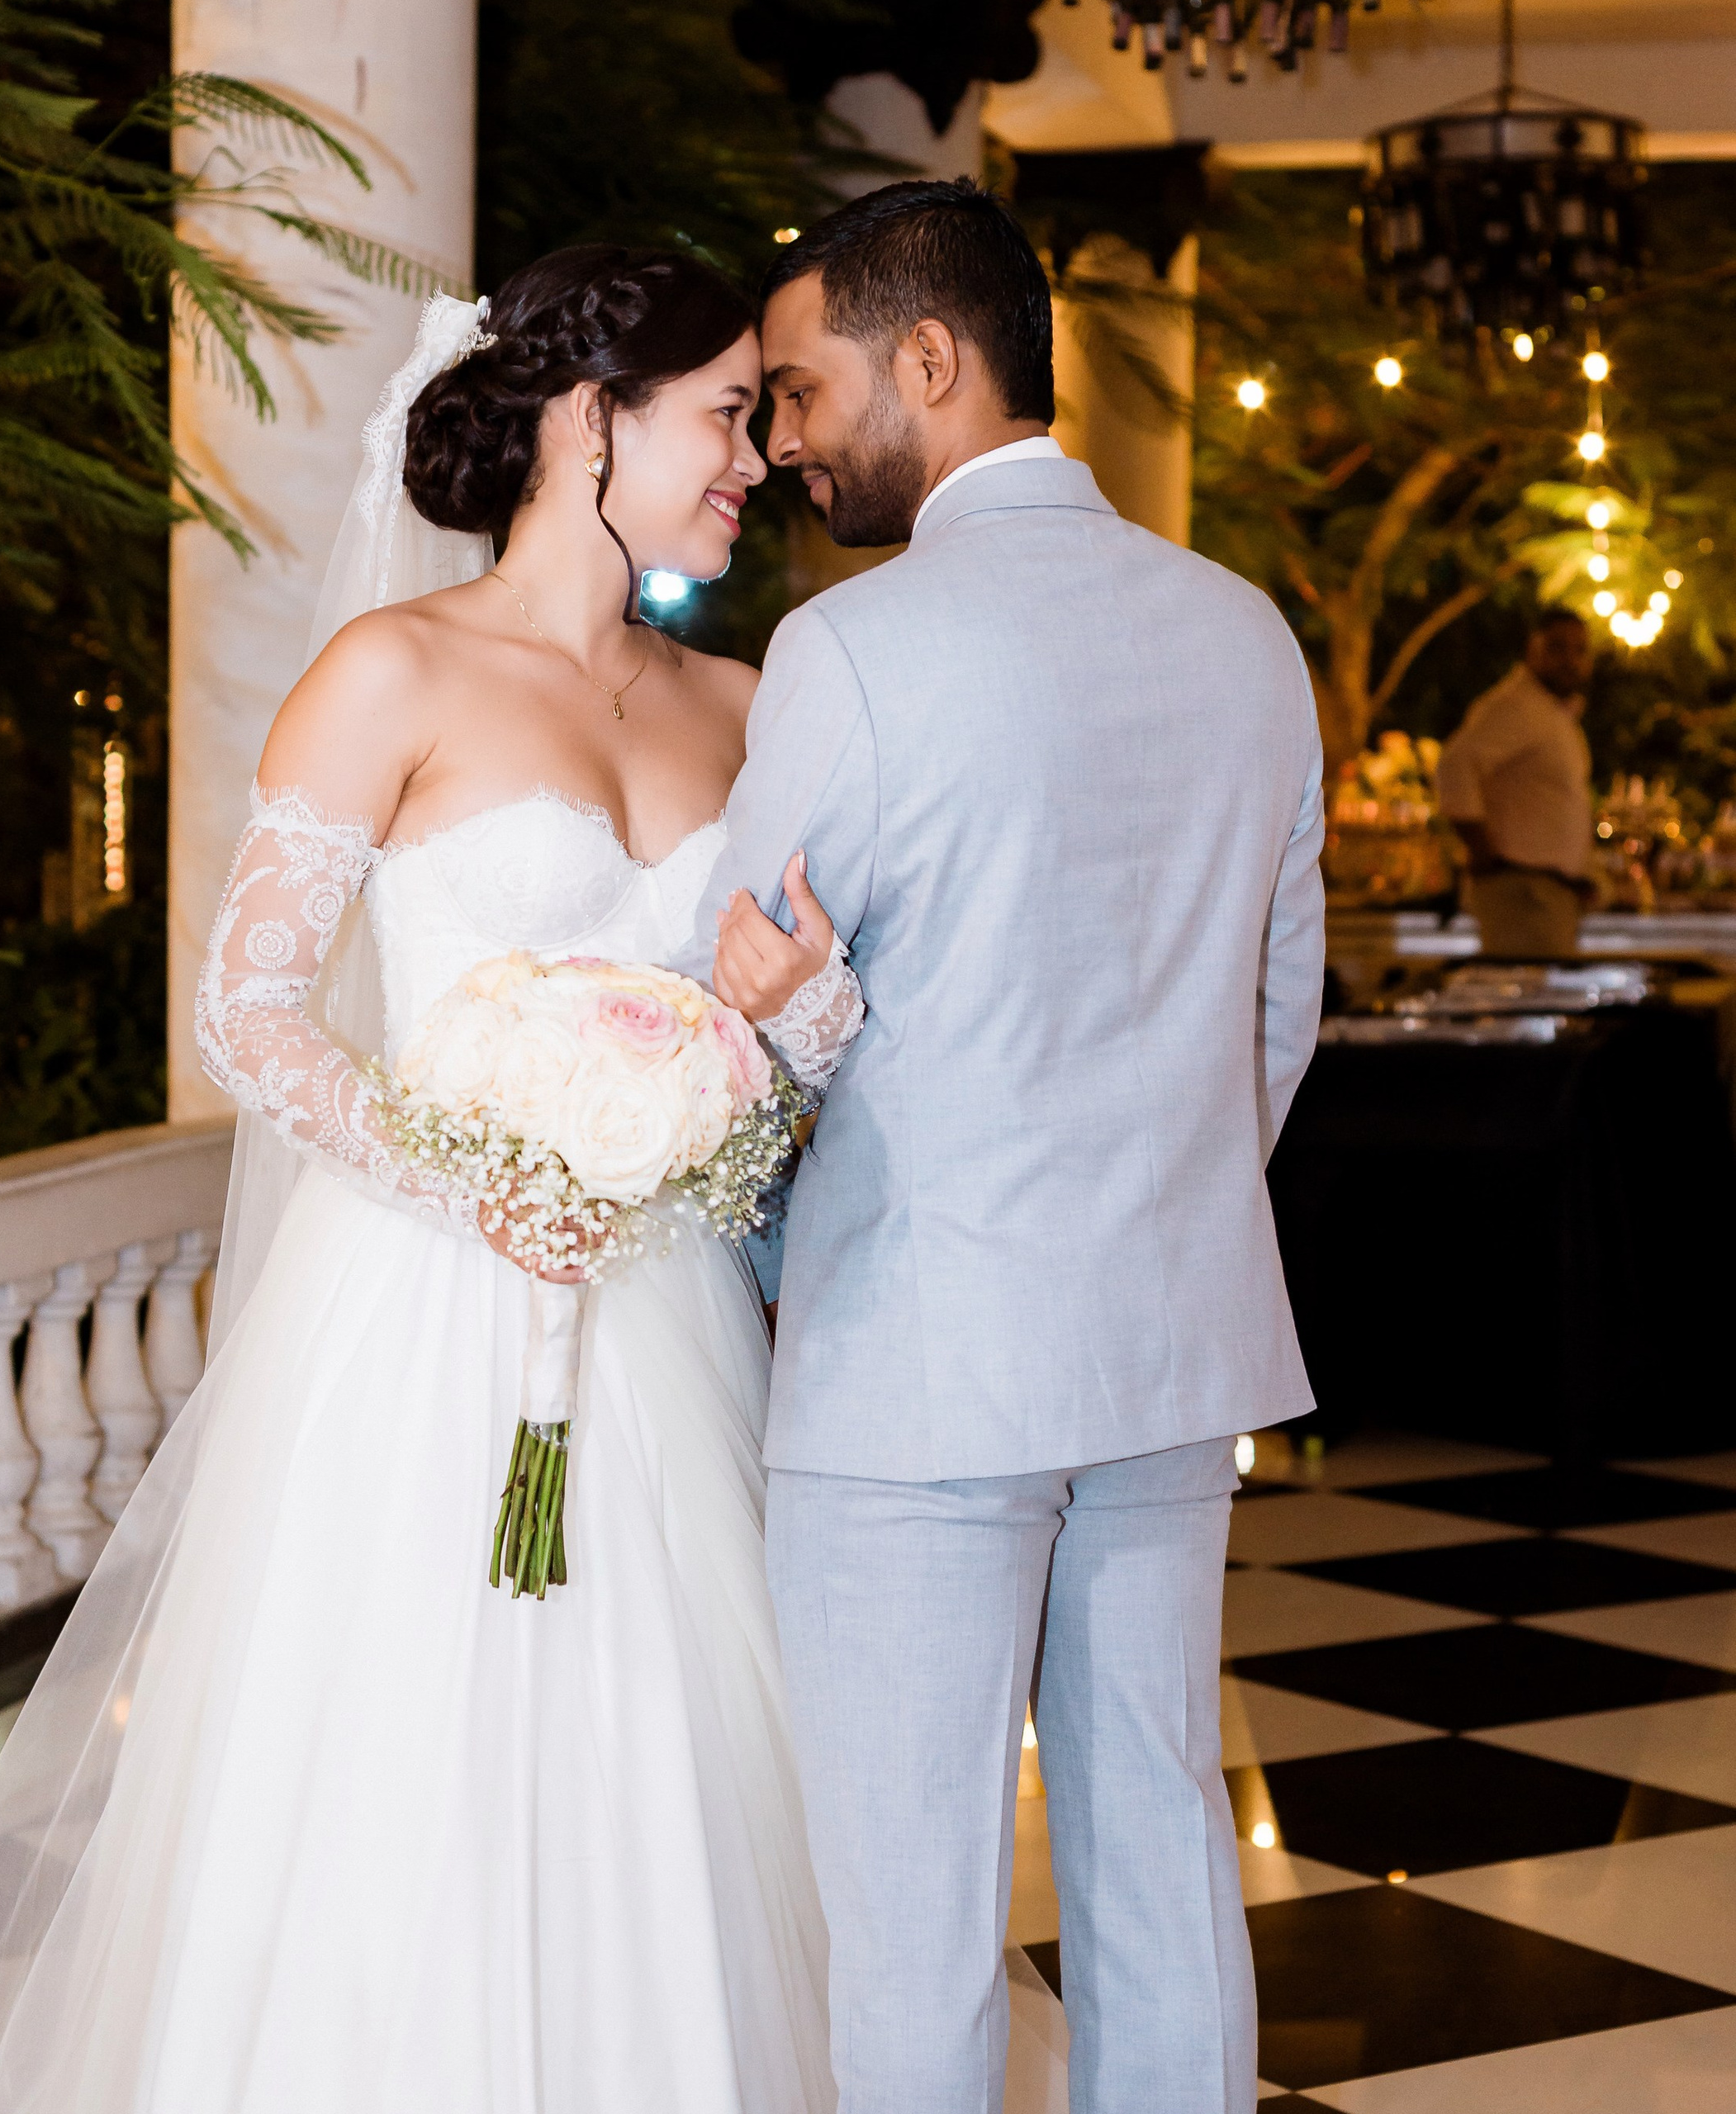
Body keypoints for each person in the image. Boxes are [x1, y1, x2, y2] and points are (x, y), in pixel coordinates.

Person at [0, 253, 861, 2114]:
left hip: (667, 1318)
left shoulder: (745, 695)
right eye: (721, 413)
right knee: (411, 1765)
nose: (756, 461)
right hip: (428, 1314)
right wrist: (475, 1180)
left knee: (660, 1772)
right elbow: (247, 1009)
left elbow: (786, 1027)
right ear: (584, 418)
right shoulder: (393, 669)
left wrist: (785, 1033)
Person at [695, 178, 1325, 2114]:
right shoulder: (1244, 637)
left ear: (932, 358)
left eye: (801, 389)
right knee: (1155, 1857)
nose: (783, 437)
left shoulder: (853, 652)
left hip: (913, 1371)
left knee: (910, 1922)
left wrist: (765, 1262)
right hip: (1163, 1349)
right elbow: (1273, 1015)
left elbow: (739, 1030)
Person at [1435, 607, 1596, 955]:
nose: (1570, 659)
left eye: (1579, 650)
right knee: (1531, 1004)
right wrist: (1484, 851)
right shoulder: (1517, 706)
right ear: (1531, 649)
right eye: (1556, 648)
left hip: (1546, 893)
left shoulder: (1553, 713)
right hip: (1521, 892)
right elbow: (1454, 766)